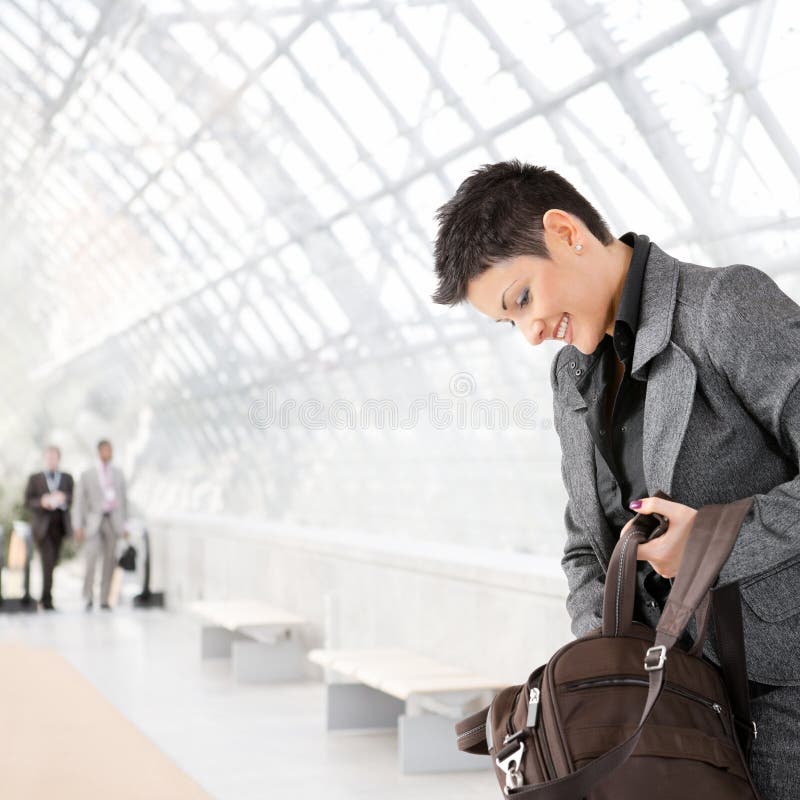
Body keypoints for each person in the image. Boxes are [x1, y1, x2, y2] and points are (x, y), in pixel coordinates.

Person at [431, 160, 800, 798]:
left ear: (566, 233)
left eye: (522, 300)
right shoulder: (572, 380)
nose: (530, 335)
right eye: (507, 322)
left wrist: (714, 544)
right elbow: (584, 543)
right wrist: (607, 664)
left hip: (781, 699)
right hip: (670, 715)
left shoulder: (724, 307)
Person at [73, 440, 128, 610]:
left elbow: (124, 501)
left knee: (110, 562)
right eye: (104, 450)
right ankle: (87, 596)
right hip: (93, 522)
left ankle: (105, 598)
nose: (107, 453)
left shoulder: (118, 473)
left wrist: (125, 526)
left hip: (113, 521)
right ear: (98, 452)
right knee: (91, 559)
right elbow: (79, 502)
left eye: (110, 450)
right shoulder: (87, 474)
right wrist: (78, 526)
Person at [23, 446, 73, 610]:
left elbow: (73, 497)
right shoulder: (35, 478)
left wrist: (63, 497)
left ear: (59, 459)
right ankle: (46, 599)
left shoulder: (66, 477)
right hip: (42, 527)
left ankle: (46, 597)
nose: (52, 460)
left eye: (54, 457)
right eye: (49, 457)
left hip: (59, 526)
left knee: (53, 562)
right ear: (45, 458)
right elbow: (28, 501)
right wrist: (42, 501)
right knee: (48, 561)